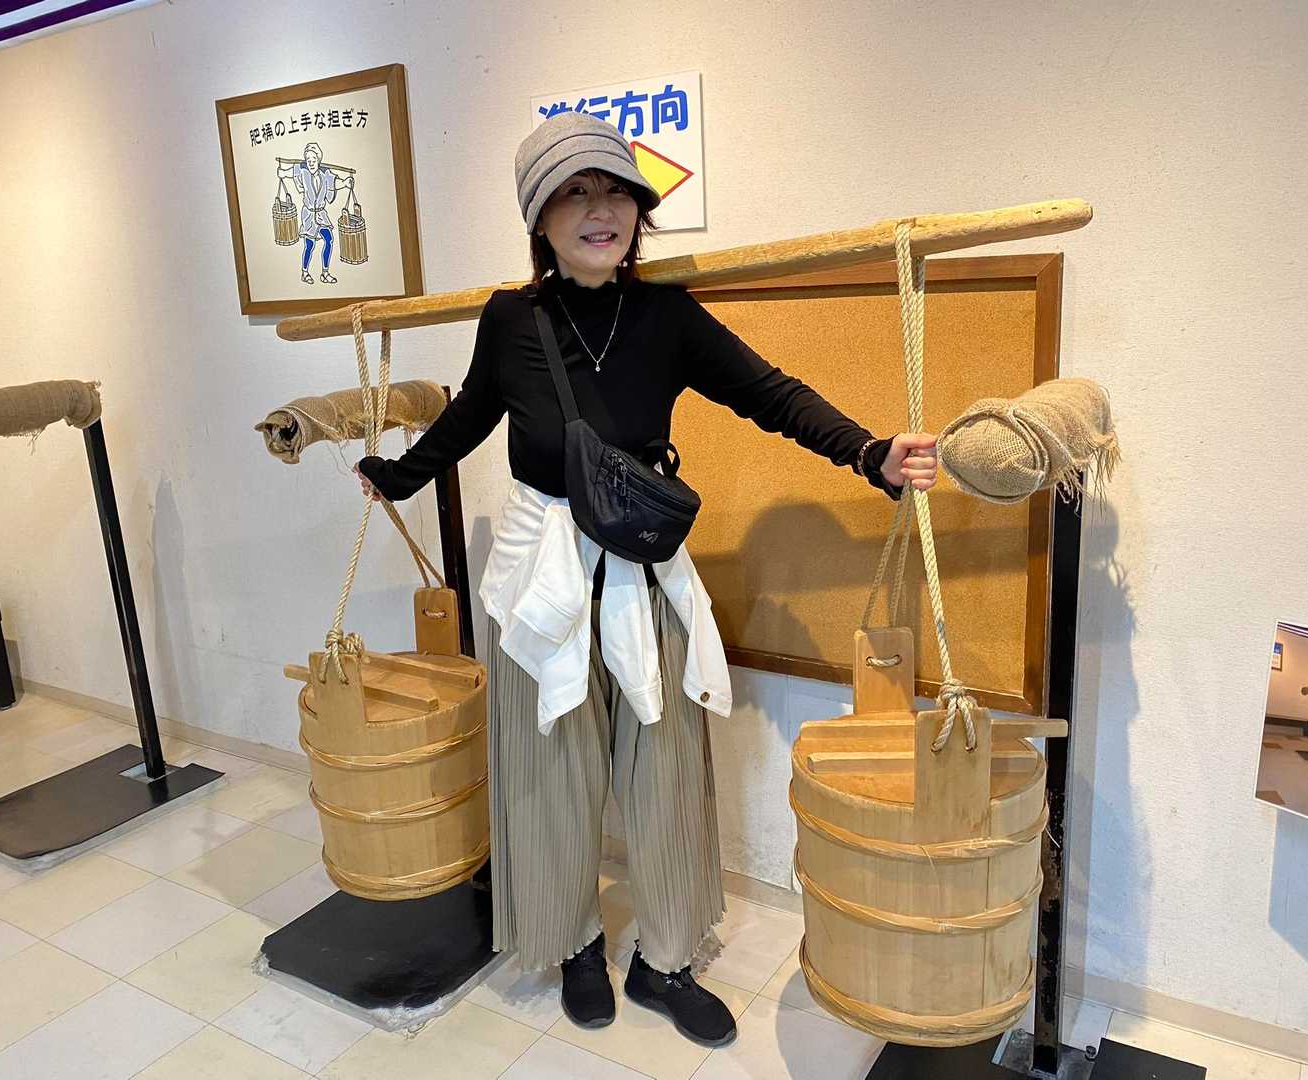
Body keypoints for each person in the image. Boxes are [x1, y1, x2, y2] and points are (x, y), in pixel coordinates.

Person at [355, 112, 938, 1048]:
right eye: (574, 192)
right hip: (538, 578)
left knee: (664, 770)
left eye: (615, 191)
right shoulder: (510, 318)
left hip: (642, 572)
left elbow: (769, 392)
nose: (601, 211)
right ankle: (574, 943)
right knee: (550, 776)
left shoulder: (665, 315)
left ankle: (665, 961)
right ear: (539, 218)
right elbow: (472, 415)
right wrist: (398, 477)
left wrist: (868, 452)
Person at [277, 142, 351, 285]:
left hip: (321, 214)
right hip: (309, 215)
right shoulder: (301, 171)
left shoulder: (326, 174)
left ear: (318, 160)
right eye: (308, 160)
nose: (311, 163)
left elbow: (335, 183)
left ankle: (325, 272)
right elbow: (289, 173)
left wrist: (346, 182)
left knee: (329, 240)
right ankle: (305, 272)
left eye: (313, 159)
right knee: (310, 245)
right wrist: (282, 173)